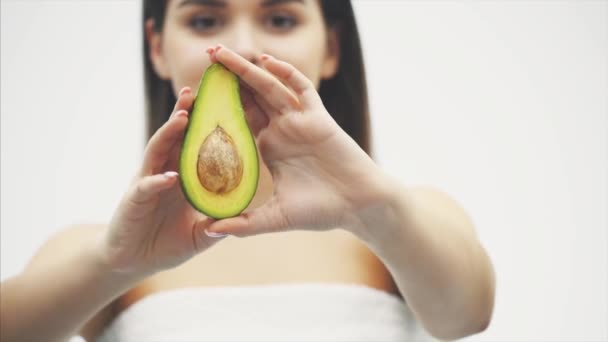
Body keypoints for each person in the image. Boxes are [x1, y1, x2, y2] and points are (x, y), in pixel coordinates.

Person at [0, 0, 496, 341]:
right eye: (204, 21)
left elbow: (466, 316)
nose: (239, 48)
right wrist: (113, 264)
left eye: (280, 19)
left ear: (331, 47)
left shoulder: (406, 219)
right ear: (157, 46)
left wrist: (373, 210)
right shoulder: (98, 251)